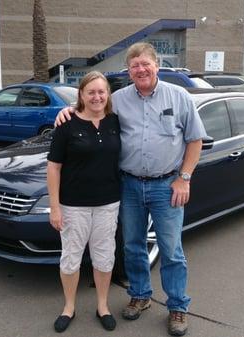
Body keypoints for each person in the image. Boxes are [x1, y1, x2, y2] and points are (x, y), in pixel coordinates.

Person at [55, 42, 206, 336]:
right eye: (134, 65)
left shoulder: (179, 97)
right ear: (129, 70)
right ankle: (140, 296)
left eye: (145, 64)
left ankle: (177, 306)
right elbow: (91, 108)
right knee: (133, 246)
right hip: (129, 185)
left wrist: (184, 177)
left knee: (171, 250)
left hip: (167, 186)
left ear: (156, 66)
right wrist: (67, 110)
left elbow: (195, 140)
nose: (140, 70)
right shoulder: (119, 99)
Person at [47, 71, 121, 333]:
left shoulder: (115, 121)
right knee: (71, 258)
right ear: (81, 95)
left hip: (108, 204)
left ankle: (103, 306)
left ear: (108, 95)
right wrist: (55, 207)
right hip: (73, 205)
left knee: (104, 257)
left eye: (102, 92)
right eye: (91, 92)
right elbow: (53, 167)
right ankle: (69, 307)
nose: (97, 97)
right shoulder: (66, 125)